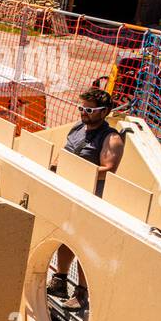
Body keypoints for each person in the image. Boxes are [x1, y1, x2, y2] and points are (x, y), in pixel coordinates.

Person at [49, 87, 126, 308]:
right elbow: (65, 153)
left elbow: (109, 169)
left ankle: (82, 293)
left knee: (84, 247)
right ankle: (59, 281)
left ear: (105, 112)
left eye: (90, 110)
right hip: (68, 193)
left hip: (90, 198)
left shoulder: (111, 139)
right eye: (82, 108)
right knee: (65, 238)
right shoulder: (77, 128)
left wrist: (77, 171)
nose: (84, 113)